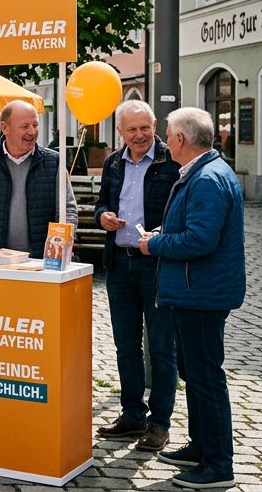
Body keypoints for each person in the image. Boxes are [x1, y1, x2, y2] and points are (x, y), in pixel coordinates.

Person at [139, 107, 246, 490]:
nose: (166, 140)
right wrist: (165, 231)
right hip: (193, 290)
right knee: (196, 375)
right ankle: (202, 447)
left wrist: (156, 243)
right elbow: (195, 228)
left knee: (206, 378)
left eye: (168, 133)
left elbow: (201, 239)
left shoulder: (207, 179)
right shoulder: (205, 173)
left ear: (182, 139)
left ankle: (218, 464)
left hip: (200, 293)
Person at [93, 100, 181, 453]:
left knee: (161, 347)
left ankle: (160, 424)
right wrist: (103, 218)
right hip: (119, 263)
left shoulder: (170, 161)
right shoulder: (114, 162)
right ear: (121, 133)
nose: (140, 135)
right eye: (132, 129)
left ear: (155, 125)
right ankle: (132, 415)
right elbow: (101, 204)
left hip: (155, 264)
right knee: (125, 345)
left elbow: (179, 213)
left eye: (145, 127)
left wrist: (160, 237)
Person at [0, 100, 77, 258]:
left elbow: (67, 209)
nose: (32, 132)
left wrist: (63, 242)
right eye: (25, 126)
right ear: (5, 127)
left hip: (41, 263)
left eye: (35, 125)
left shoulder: (54, 162)